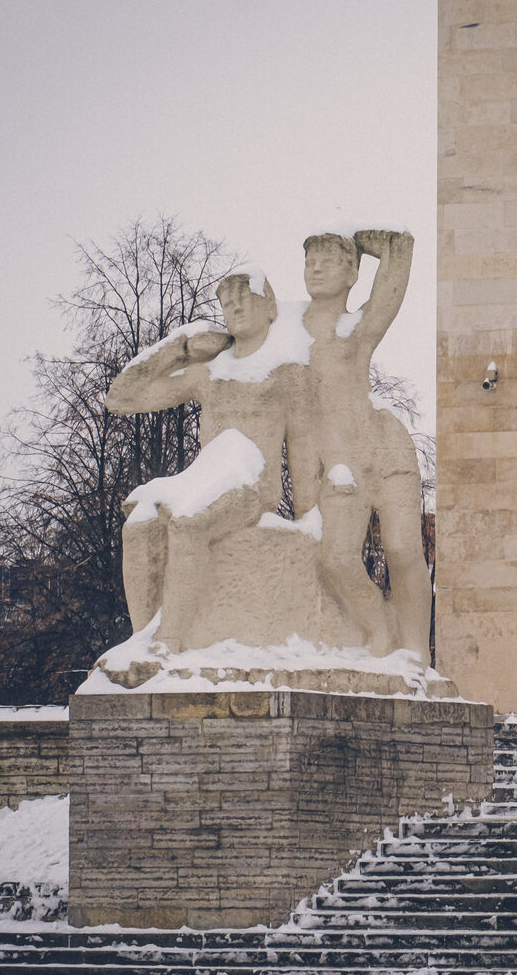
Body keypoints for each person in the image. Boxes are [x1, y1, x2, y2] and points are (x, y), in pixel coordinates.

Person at [105, 271, 309, 646]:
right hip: (206, 476)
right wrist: (177, 349)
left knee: (187, 522)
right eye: (226, 305)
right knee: (139, 525)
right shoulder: (209, 373)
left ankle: (170, 640)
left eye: (242, 300)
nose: (233, 310)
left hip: (251, 480)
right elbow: (120, 399)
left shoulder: (286, 372)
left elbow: (302, 445)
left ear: (269, 307)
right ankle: (142, 641)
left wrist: (307, 515)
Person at [298, 228, 431, 659]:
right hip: (341, 466)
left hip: (385, 448)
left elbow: (398, 257)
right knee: (335, 557)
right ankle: (379, 625)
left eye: (329, 261)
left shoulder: (356, 329)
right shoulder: (289, 334)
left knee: (402, 548)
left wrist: (361, 241)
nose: (316, 269)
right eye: (310, 262)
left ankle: (416, 652)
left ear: (353, 271)